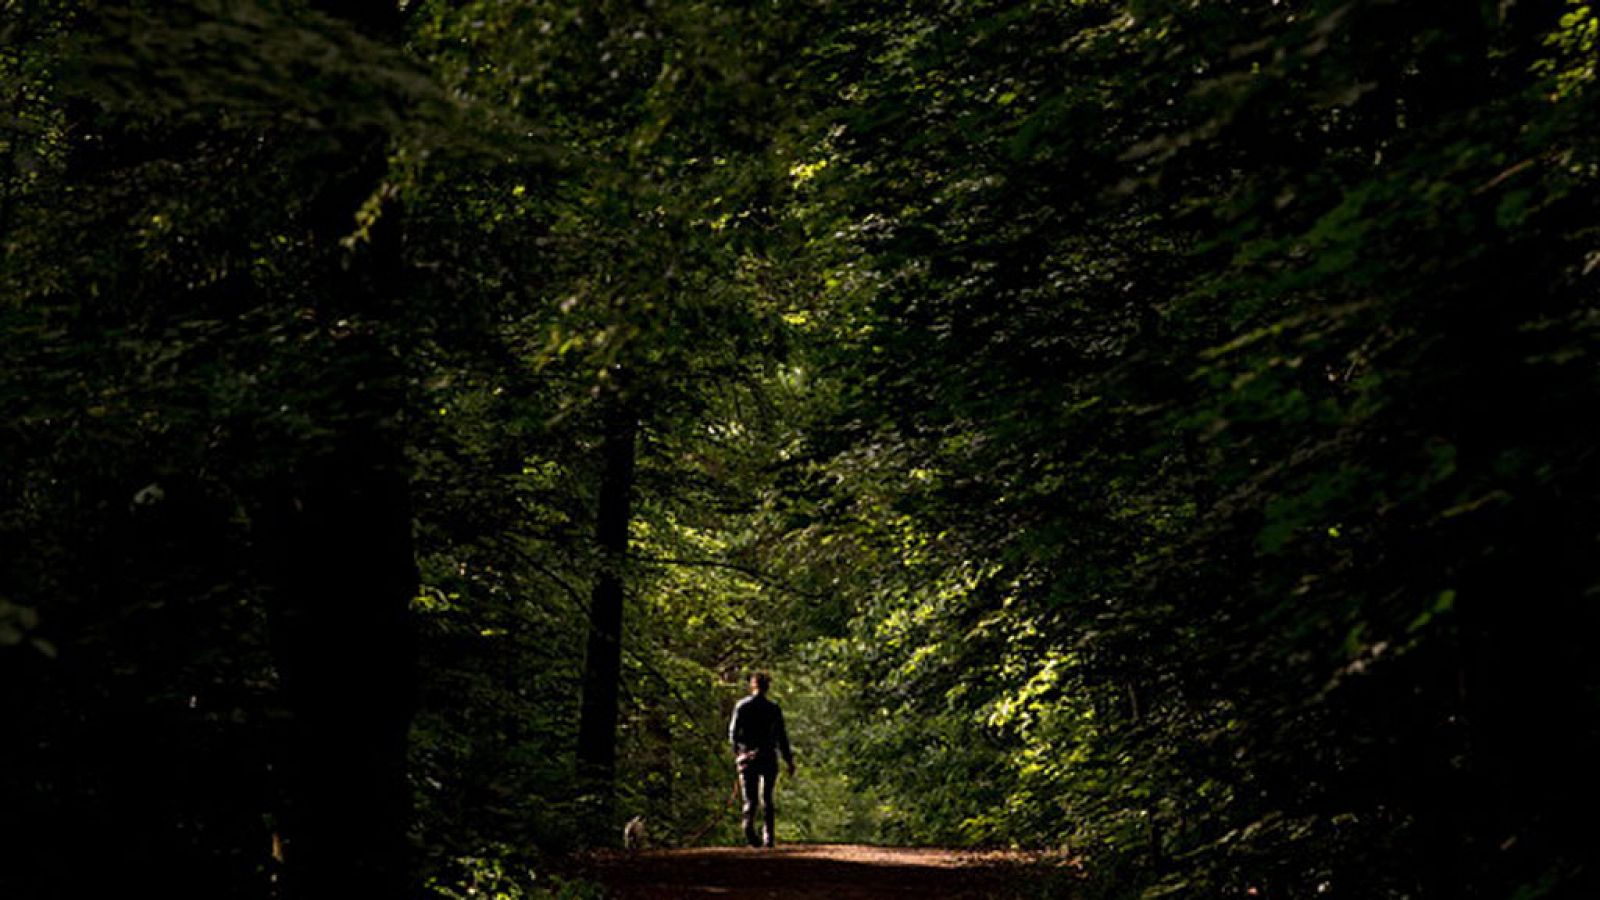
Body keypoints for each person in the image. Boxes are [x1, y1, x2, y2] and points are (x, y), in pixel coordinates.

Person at [727, 671, 794, 848]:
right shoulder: (773, 708)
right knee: (767, 797)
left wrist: (738, 753)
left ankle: (749, 831)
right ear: (767, 687)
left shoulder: (742, 706)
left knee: (750, 799)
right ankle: (769, 837)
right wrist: (789, 760)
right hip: (768, 756)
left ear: (753, 685)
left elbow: (733, 733)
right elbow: (782, 737)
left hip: (747, 757)